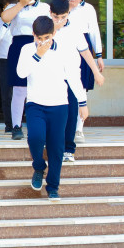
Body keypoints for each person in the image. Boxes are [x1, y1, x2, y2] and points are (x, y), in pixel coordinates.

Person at [16, 16, 89, 201]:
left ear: (53, 34)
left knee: (56, 148)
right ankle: (39, 167)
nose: (43, 42)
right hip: (35, 104)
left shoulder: (65, 50)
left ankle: (53, 187)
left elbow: (74, 77)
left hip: (59, 105)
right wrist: (38, 54)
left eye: (46, 37)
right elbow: (21, 73)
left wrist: (82, 103)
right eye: (39, 38)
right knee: (35, 138)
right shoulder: (27, 49)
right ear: (34, 35)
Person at [49, 0, 105, 163]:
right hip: (51, 78)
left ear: (68, 13)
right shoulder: (45, 27)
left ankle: (68, 149)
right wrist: (53, 29)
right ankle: (53, 147)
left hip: (72, 77)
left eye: (63, 17)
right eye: (56, 17)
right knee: (54, 114)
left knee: (71, 113)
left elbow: (85, 51)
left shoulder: (74, 29)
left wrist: (96, 72)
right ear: (50, 13)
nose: (59, 20)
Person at [1, 0, 51, 140]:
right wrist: (21, 4)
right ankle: (16, 126)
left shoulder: (44, 7)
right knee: (19, 88)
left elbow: (52, 27)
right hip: (19, 46)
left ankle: (39, 125)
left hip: (39, 45)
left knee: (39, 87)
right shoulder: (14, 7)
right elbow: (5, 18)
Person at [64, 0, 104, 144]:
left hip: (84, 47)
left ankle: (79, 128)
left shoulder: (88, 9)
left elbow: (94, 31)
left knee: (81, 88)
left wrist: (99, 55)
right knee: (66, 88)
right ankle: (65, 127)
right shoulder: (62, 7)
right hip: (66, 47)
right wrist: (68, 9)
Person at [0, 0, 17, 134]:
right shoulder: (1, 21)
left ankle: (18, 122)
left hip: (19, 59)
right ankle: (9, 124)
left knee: (19, 92)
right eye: (6, 8)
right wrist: (6, 23)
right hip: (4, 59)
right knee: (6, 93)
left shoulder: (22, 21)